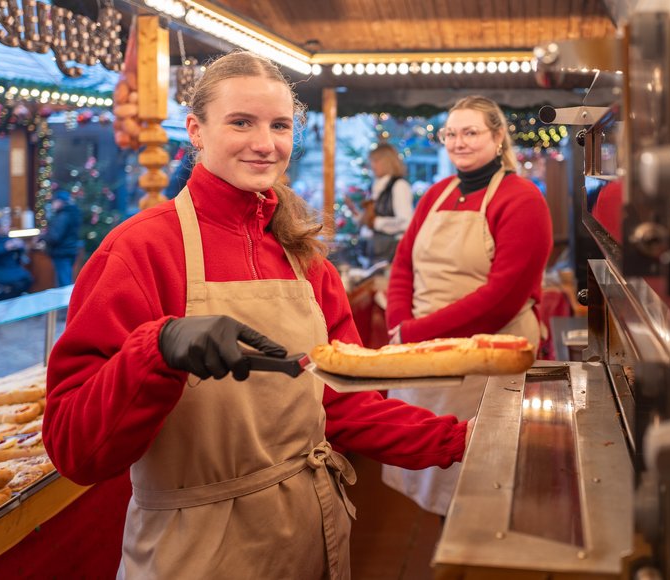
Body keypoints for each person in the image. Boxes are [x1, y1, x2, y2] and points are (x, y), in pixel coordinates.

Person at [42, 50, 472, 579]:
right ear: (196, 131)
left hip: (309, 531)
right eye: (241, 122)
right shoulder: (138, 251)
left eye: (279, 125)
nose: (265, 143)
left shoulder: (307, 259)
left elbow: (344, 405)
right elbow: (74, 450)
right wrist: (156, 351)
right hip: (194, 548)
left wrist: (464, 441)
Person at [382, 95, 553, 517]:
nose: (458, 142)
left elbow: (502, 299)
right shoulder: (437, 193)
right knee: (434, 469)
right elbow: (403, 262)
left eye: (471, 132)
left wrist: (415, 336)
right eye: (451, 134)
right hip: (423, 353)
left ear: (497, 138)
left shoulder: (522, 199)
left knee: (482, 481)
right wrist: (399, 323)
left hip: (487, 354)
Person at [357, 143, 413, 264]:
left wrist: (377, 222)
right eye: (372, 161)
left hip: (391, 254)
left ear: (387, 162)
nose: (372, 165)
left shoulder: (399, 186)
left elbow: (406, 222)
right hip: (374, 252)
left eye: (376, 161)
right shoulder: (374, 186)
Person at [41, 189, 82, 287]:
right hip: (69, 251)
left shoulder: (63, 216)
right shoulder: (72, 213)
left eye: (54, 201)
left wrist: (43, 237)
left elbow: (54, 237)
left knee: (64, 284)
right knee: (66, 280)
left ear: (60, 202)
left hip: (62, 252)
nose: (53, 204)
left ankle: (67, 302)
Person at [0, 214, 33, 301]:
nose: (8, 227)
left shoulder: (7, 238)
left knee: (27, 279)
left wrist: (20, 246)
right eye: (5, 225)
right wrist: (5, 248)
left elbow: (21, 253)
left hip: (12, 269)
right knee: (17, 283)